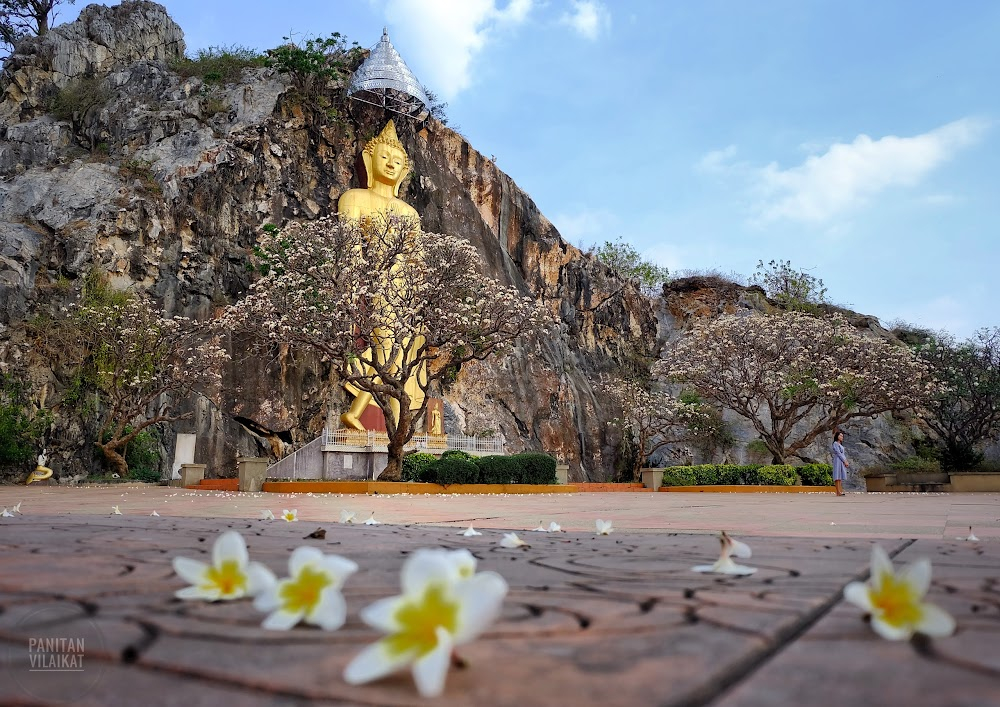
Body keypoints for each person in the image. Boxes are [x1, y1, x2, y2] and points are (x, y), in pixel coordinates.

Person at [831, 431, 848, 496]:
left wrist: (845, 461)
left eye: (842, 436)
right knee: (837, 476)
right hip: (838, 460)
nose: (841, 437)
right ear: (837, 436)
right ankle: (838, 491)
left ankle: (840, 491)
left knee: (840, 476)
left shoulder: (840, 445)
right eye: (840, 436)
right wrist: (844, 460)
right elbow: (838, 453)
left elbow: (842, 454)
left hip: (841, 461)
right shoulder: (835, 444)